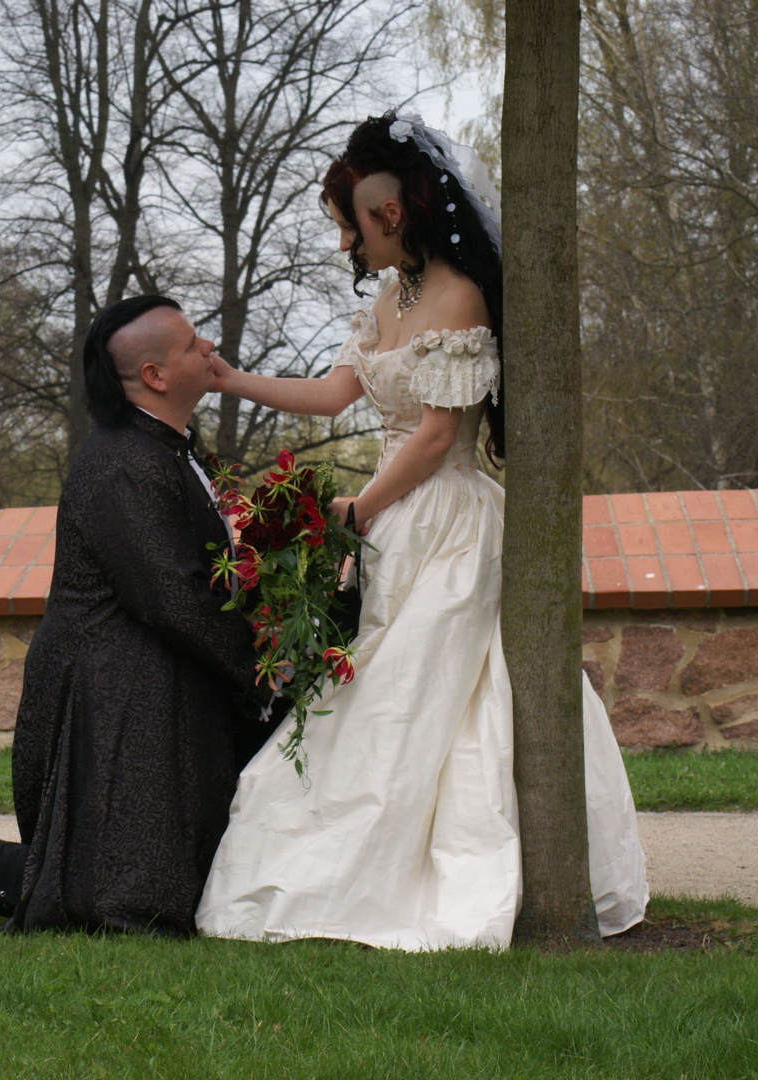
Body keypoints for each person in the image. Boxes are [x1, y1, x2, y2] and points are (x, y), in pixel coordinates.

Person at [194, 111, 648, 951]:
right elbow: (335, 395)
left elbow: (441, 433)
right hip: (393, 515)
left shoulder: (458, 297)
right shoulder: (388, 301)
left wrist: (359, 510)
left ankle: (446, 876)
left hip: (446, 518)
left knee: (440, 691)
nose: (345, 247)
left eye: (349, 226)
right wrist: (231, 379)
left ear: (389, 214)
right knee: (382, 684)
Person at [0, 295, 274, 936]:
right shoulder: (123, 464)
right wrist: (261, 670)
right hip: (109, 704)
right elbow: (172, 597)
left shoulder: (166, 449)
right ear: (155, 376)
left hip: (147, 694)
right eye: (192, 342)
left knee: (127, 886)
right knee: (113, 902)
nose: (208, 348)